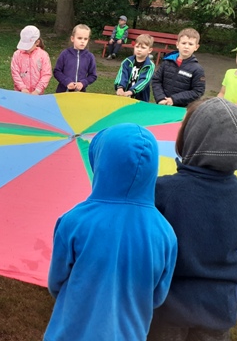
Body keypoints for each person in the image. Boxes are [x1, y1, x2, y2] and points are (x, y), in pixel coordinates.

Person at [44, 124, 177, 341]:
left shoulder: (74, 221)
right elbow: (157, 296)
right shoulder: (165, 234)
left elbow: (56, 282)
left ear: (101, 162)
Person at [148, 98, 237, 341]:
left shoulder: (163, 191)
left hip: (166, 310)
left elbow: (148, 250)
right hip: (218, 311)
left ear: (189, 139)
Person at [152, 28, 205, 107]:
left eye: (190, 44)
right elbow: (156, 80)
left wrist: (174, 99)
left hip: (182, 109)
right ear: (177, 44)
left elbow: (198, 91)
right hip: (162, 104)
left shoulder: (197, 69)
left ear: (196, 47)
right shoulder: (167, 62)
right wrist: (160, 98)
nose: (186, 46)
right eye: (183, 43)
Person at [53, 24, 98, 93]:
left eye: (85, 39)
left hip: (80, 93)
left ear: (88, 40)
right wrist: (67, 81)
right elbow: (57, 71)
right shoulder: (65, 54)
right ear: (72, 39)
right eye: (79, 38)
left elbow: (93, 75)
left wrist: (83, 83)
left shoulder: (89, 56)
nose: (82, 41)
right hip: (63, 92)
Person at [10, 25, 52, 95]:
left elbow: (46, 74)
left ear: (37, 42)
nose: (26, 48)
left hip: (37, 94)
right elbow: (15, 73)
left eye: (28, 46)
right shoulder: (17, 55)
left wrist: (37, 90)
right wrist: (22, 88)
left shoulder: (43, 55)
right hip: (20, 93)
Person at [114, 33, 155, 102]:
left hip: (140, 99)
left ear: (150, 50)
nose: (139, 50)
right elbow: (122, 75)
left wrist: (131, 91)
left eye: (143, 48)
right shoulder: (127, 61)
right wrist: (120, 87)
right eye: (137, 47)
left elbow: (144, 80)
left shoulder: (150, 65)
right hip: (124, 96)